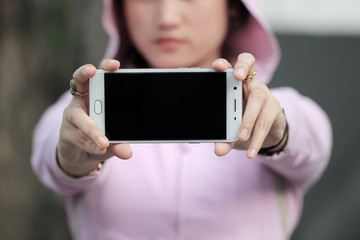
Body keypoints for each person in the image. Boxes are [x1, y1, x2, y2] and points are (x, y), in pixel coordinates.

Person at [31, 0, 332, 239]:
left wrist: (278, 134)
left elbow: (313, 139)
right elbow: (48, 149)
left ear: (233, 5)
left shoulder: (278, 109)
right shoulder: (79, 113)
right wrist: (71, 160)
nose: (167, 17)